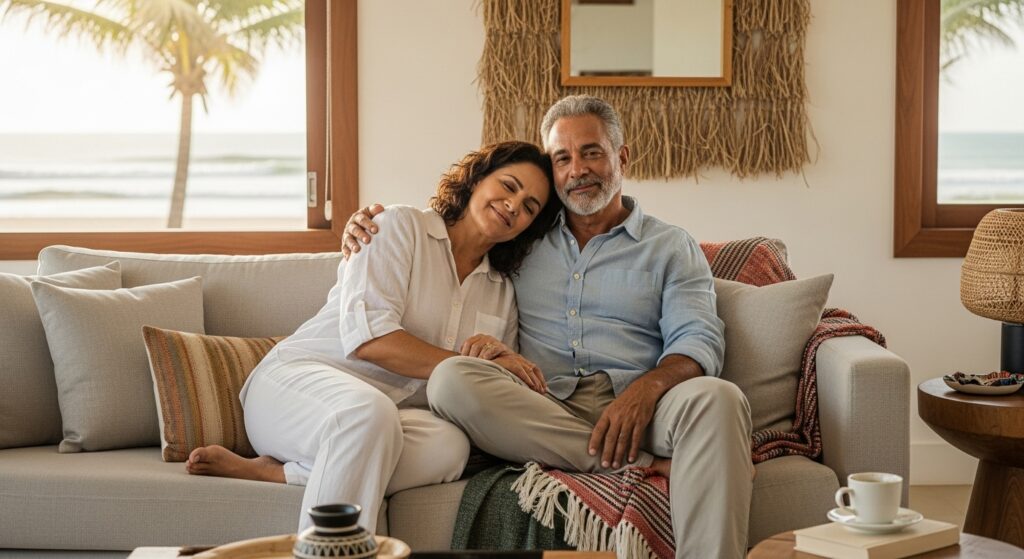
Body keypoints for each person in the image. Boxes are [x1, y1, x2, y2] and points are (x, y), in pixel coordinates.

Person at [342, 95, 754, 558]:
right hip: (541, 407)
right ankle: (634, 465)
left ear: (621, 157)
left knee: (720, 397)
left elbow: (697, 338)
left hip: (645, 407)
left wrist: (646, 390)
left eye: (591, 152)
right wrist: (365, 225)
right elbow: (457, 231)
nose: (577, 169)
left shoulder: (670, 246)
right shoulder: (522, 236)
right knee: (451, 379)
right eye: (562, 158)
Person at [185, 141, 561, 533]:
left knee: (449, 447)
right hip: (296, 386)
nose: (515, 205)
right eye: (509, 185)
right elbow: (372, 340)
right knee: (366, 415)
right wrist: (469, 365)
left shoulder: (502, 294)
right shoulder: (398, 226)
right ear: (477, 178)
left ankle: (283, 473)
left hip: (390, 417)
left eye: (530, 206)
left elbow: (492, 390)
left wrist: (500, 361)